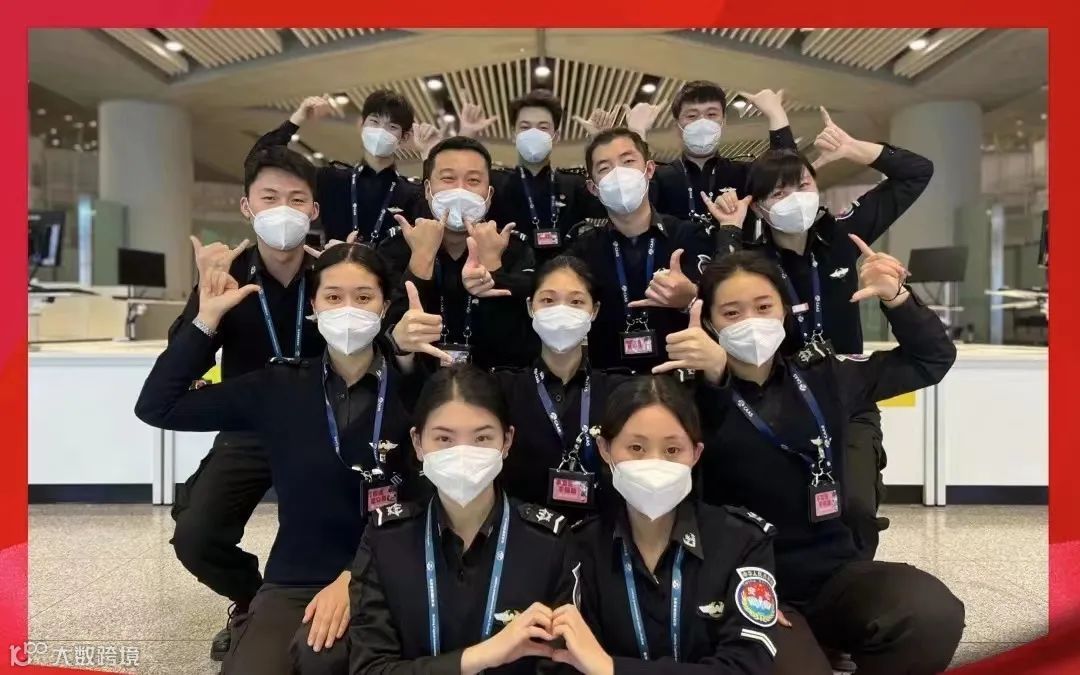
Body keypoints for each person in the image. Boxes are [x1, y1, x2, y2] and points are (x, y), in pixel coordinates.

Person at [655, 248, 963, 674]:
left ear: (785, 311)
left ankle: (829, 639)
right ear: (709, 323)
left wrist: (897, 299)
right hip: (745, 576)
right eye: (732, 312)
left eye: (764, 307)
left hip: (831, 573)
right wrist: (716, 380)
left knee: (929, 613)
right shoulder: (684, 396)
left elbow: (930, 360)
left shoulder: (825, 375)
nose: (750, 322)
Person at [136, 244, 435, 675]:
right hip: (298, 576)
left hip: (391, 572)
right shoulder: (279, 387)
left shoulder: (413, 389)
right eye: (333, 297)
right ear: (313, 306)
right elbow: (158, 407)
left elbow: (429, 503)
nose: (348, 309)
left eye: (363, 297)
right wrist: (206, 322)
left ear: (385, 307)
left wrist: (354, 576)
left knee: (331, 661)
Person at [706, 107, 935, 559]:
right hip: (782, 400)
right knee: (780, 504)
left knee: (855, 507)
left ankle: (856, 579)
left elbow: (917, 172)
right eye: (777, 193)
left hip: (846, 395)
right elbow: (721, 293)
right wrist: (729, 232)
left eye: (803, 186)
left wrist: (855, 149)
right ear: (760, 206)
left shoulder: (843, 234)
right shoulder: (754, 263)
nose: (793, 199)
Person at [167, 146, 326, 662]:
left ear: (314, 210)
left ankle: (326, 602)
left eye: (297, 199)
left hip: (323, 427)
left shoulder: (331, 273)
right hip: (249, 431)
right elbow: (181, 365)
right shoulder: (225, 275)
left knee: (346, 523)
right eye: (270, 197)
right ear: (247, 207)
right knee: (196, 534)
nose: (284, 209)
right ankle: (252, 601)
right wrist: (206, 310)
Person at [348, 365, 573, 675]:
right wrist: (479, 657)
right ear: (418, 443)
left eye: (482, 438)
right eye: (444, 438)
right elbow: (370, 668)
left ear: (507, 441)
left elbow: (561, 666)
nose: (463, 453)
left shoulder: (548, 543)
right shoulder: (385, 538)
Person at [550, 375, 779, 674]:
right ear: (605, 449)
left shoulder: (744, 543)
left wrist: (611, 668)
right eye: (636, 448)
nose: (654, 463)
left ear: (695, 454)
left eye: (672, 450)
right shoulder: (580, 548)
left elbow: (747, 667)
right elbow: (568, 665)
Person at [563, 128, 725, 372]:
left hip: (683, 377)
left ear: (649, 170)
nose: (618, 174)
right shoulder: (581, 254)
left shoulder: (690, 237)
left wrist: (690, 298)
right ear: (593, 188)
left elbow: (726, 305)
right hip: (610, 381)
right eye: (604, 168)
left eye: (628, 161)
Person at [379, 136, 537, 368]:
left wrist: (494, 268)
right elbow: (387, 337)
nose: (460, 190)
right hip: (417, 382)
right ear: (427, 189)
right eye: (448, 179)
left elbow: (522, 344)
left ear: (489, 195)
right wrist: (421, 259)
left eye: (473, 180)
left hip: (493, 381)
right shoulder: (397, 246)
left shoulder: (512, 248)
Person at [494, 256, 634, 514]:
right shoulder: (501, 389)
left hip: (600, 530)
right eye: (548, 300)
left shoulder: (621, 391)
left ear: (594, 311)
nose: (561, 311)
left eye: (576, 302)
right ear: (530, 307)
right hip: (521, 529)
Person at [248, 90, 424, 244]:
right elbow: (261, 160)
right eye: (374, 122)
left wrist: (428, 152)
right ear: (361, 125)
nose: (381, 131)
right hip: (333, 269)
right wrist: (297, 119)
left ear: (404, 137)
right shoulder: (330, 179)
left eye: (392, 126)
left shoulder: (412, 193)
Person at [641, 84, 795, 224]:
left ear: (723, 122)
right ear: (677, 126)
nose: (702, 122)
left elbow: (789, 176)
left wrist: (776, 115)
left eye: (712, 114)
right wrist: (637, 133)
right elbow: (633, 203)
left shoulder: (745, 173)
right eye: (692, 116)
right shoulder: (658, 178)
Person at [479, 90, 605, 259]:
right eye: (525, 127)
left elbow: (615, 207)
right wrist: (466, 134)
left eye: (543, 127)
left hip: (566, 271)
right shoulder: (494, 183)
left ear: (556, 136)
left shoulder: (575, 184)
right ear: (514, 135)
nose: (534, 133)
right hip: (509, 271)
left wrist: (602, 143)